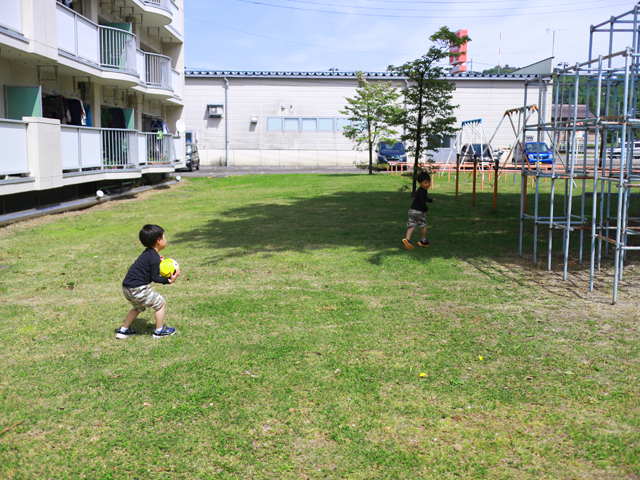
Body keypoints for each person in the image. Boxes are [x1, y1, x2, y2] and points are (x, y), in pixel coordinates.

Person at [117, 224, 180, 339]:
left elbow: (150, 268)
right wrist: (169, 280)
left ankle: (123, 330)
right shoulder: (153, 257)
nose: (165, 240)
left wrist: (158, 263)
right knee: (161, 303)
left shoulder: (147, 254)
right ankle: (159, 331)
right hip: (138, 288)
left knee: (138, 307)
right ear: (159, 241)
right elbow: (155, 277)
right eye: (164, 237)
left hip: (127, 288)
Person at [402, 171, 435, 250]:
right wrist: (426, 209)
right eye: (426, 183)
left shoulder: (420, 190)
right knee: (423, 225)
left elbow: (425, 199)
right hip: (419, 212)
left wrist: (430, 200)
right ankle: (423, 241)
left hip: (411, 211)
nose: (428, 184)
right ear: (420, 183)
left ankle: (407, 239)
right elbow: (422, 202)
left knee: (412, 226)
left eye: (429, 182)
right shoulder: (423, 192)